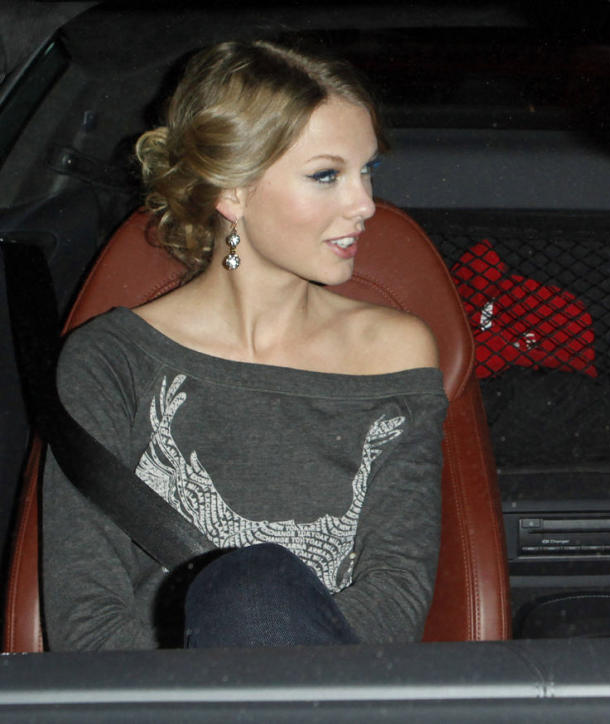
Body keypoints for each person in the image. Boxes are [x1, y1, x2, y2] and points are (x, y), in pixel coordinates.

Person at [41, 40, 445, 650]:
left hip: (337, 695)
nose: (364, 204)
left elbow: (396, 589)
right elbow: (87, 621)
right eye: (327, 175)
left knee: (253, 593)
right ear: (231, 192)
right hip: (163, 705)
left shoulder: (395, 349)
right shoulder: (111, 363)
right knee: (248, 592)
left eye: (368, 172)